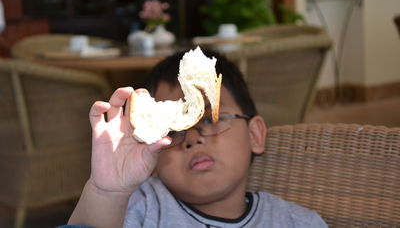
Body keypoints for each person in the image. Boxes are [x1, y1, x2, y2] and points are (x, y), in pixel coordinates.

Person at [64, 49, 328, 228]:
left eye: (210, 118)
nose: (191, 139)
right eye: (173, 130)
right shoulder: (138, 211)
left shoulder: (297, 222)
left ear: (254, 134)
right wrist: (106, 192)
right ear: (153, 159)